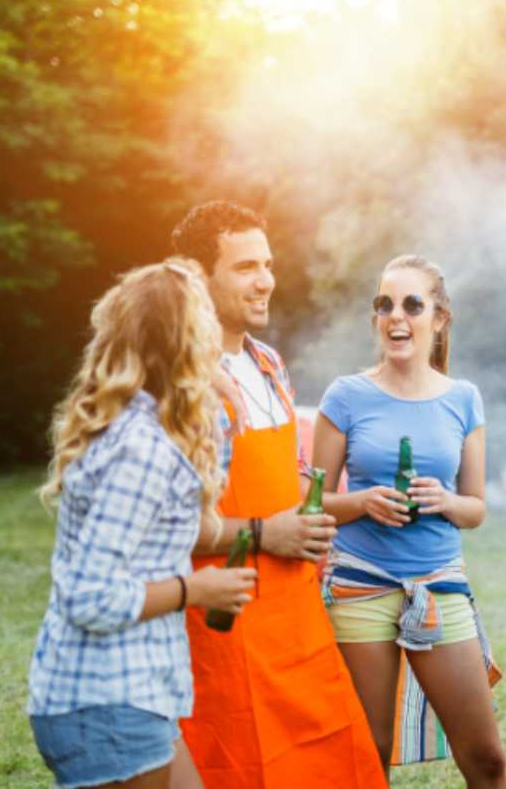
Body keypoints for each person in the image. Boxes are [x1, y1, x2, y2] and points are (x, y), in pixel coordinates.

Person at [171, 202, 386, 788]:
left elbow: (287, 479)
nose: (265, 280)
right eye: (244, 266)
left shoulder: (268, 365)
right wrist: (269, 532)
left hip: (298, 618)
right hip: (224, 628)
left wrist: (346, 507)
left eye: (267, 263)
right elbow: (163, 523)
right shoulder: (176, 379)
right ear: (196, 274)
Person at [27, 257, 258, 789]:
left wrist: (216, 406)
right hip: (107, 700)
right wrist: (194, 589)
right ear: (188, 341)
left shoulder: (142, 426)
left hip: (129, 697)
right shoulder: (140, 449)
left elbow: (196, 514)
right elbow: (88, 596)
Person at [312, 255, 506, 788]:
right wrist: (363, 502)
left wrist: (444, 500)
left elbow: (476, 508)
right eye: (384, 304)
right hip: (360, 585)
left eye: (411, 305)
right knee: (366, 755)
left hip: (439, 584)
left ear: (439, 319)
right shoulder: (347, 395)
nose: (396, 317)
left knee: (487, 758)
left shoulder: (463, 399)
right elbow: (312, 503)